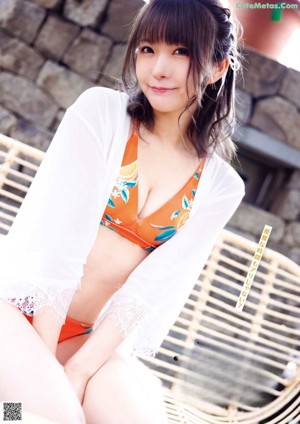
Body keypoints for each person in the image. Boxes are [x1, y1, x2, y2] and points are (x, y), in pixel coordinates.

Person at [0, 0, 245, 422]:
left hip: (88, 340)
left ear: (219, 66)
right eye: (147, 49)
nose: (158, 69)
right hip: (16, 310)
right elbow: (59, 244)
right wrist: (45, 371)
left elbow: (150, 290)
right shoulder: (101, 113)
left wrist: (76, 371)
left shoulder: (221, 187)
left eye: (180, 52)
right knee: (45, 415)